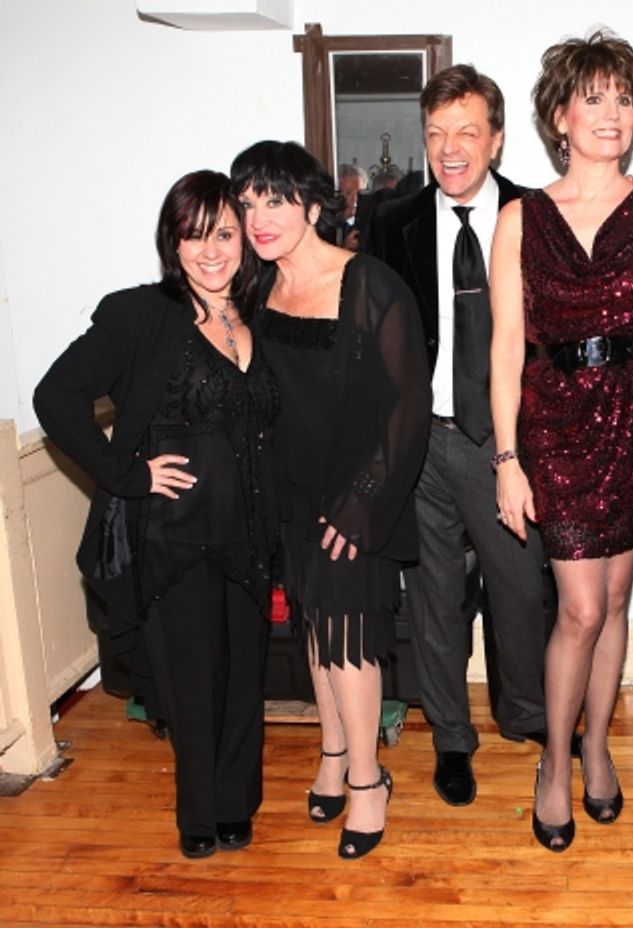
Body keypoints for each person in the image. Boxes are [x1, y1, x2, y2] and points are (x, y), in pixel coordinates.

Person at [491, 30, 633, 852]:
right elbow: (506, 348)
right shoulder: (522, 218)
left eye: (624, 99)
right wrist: (507, 460)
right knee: (578, 606)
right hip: (555, 424)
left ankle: (598, 744)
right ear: (559, 114)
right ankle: (553, 762)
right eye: (594, 98)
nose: (611, 114)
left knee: (614, 600)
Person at [34, 170, 275, 859]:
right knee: (191, 688)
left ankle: (236, 806)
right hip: (175, 540)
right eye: (193, 234)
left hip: (250, 537)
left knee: (241, 686)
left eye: (223, 233)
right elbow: (57, 395)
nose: (211, 250)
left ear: (243, 240)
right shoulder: (139, 315)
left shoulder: (259, 316)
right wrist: (126, 475)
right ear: (172, 243)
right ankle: (199, 818)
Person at [231, 140, 431, 860]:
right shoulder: (257, 292)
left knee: (348, 638)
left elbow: (410, 401)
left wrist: (364, 501)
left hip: (358, 493)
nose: (259, 217)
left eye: (274, 199)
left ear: (313, 205)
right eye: (248, 203)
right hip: (290, 492)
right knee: (315, 631)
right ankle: (334, 753)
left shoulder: (371, 283)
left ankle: (369, 782)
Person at [362, 64, 552, 808]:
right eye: (436, 133)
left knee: (519, 590)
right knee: (434, 597)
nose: (449, 148)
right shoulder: (389, 221)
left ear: (496, 139)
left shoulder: (539, 218)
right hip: (422, 443)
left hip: (505, 445)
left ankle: (530, 718)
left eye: (466, 132)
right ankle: (449, 739)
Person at [336, 163, 368, 249]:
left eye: (359, 193)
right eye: (348, 193)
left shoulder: (368, 223)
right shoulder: (325, 225)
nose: (355, 199)